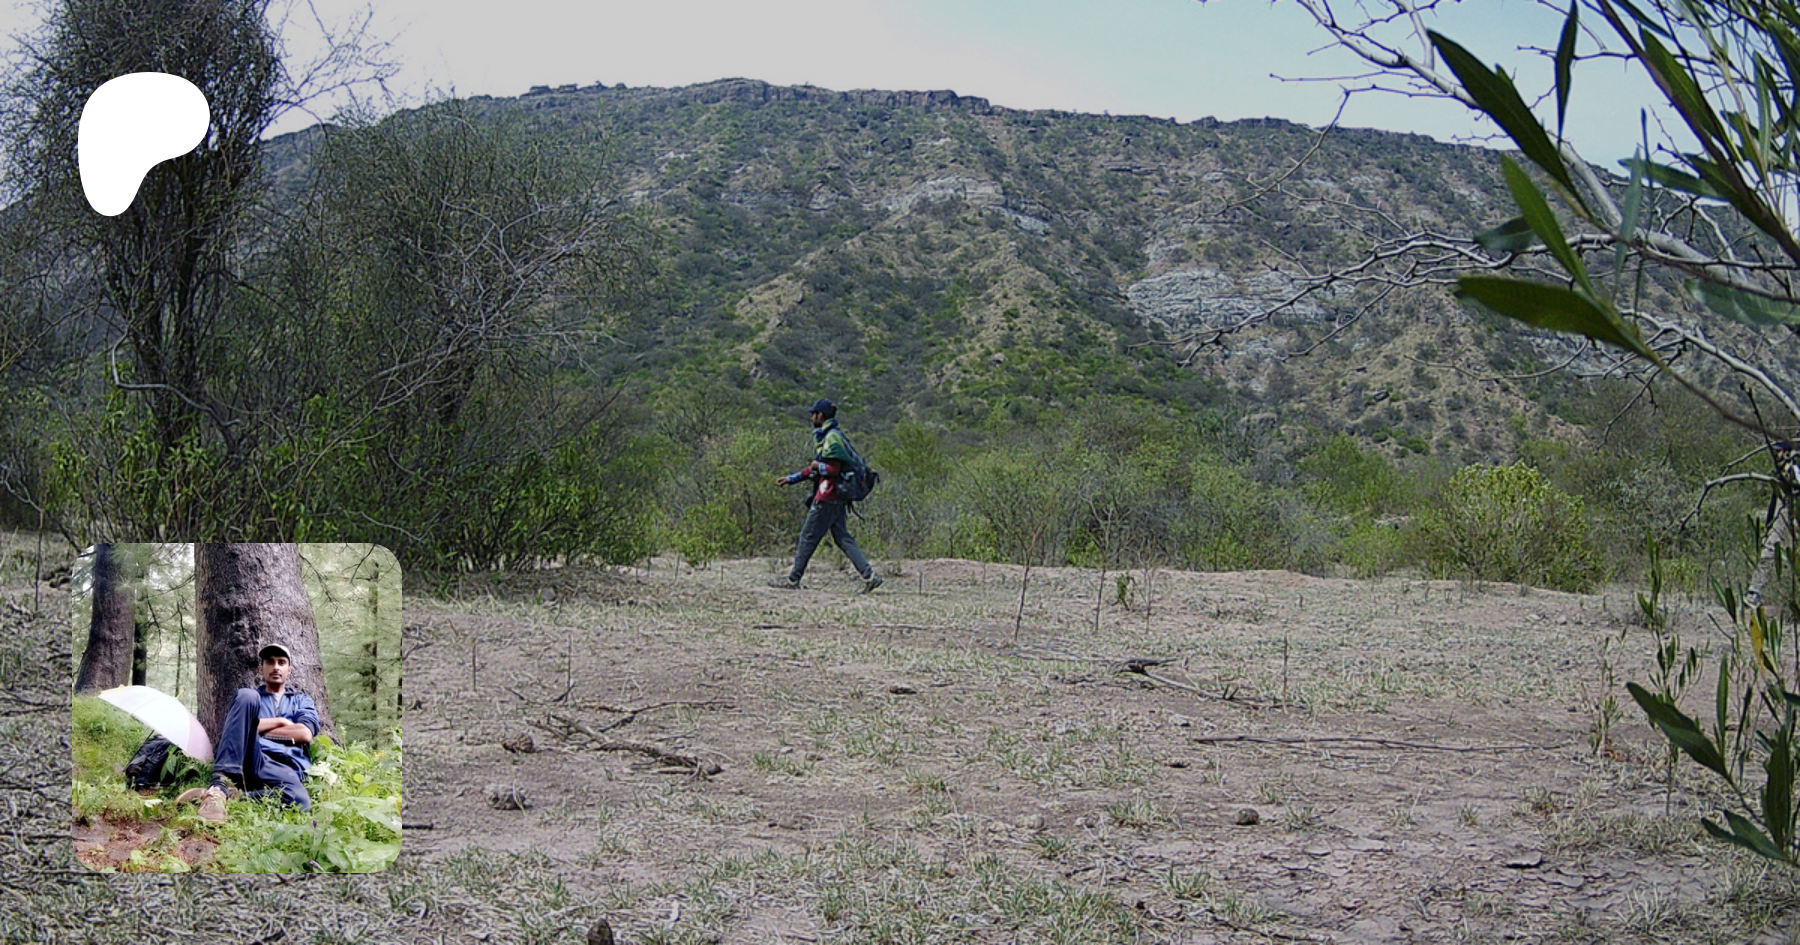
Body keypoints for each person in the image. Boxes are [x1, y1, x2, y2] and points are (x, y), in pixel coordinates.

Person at [177, 642, 319, 823]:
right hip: (254, 757)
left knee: (300, 801)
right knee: (246, 694)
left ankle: (223, 796)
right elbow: (236, 728)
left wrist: (257, 727)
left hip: (286, 767)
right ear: (261, 669)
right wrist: (281, 721)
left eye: (281, 662)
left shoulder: (301, 700)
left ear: (289, 670)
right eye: (270, 662)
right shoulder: (250, 701)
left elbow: (305, 733)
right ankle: (219, 786)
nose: (276, 667)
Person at [769, 398, 883, 593]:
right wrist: (792, 478)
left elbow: (832, 469)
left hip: (827, 497)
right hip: (838, 497)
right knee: (843, 538)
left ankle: (793, 579)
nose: (811, 418)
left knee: (808, 537)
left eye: (813, 414)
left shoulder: (831, 438)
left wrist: (817, 465)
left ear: (820, 415)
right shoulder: (834, 435)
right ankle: (869, 576)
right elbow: (819, 469)